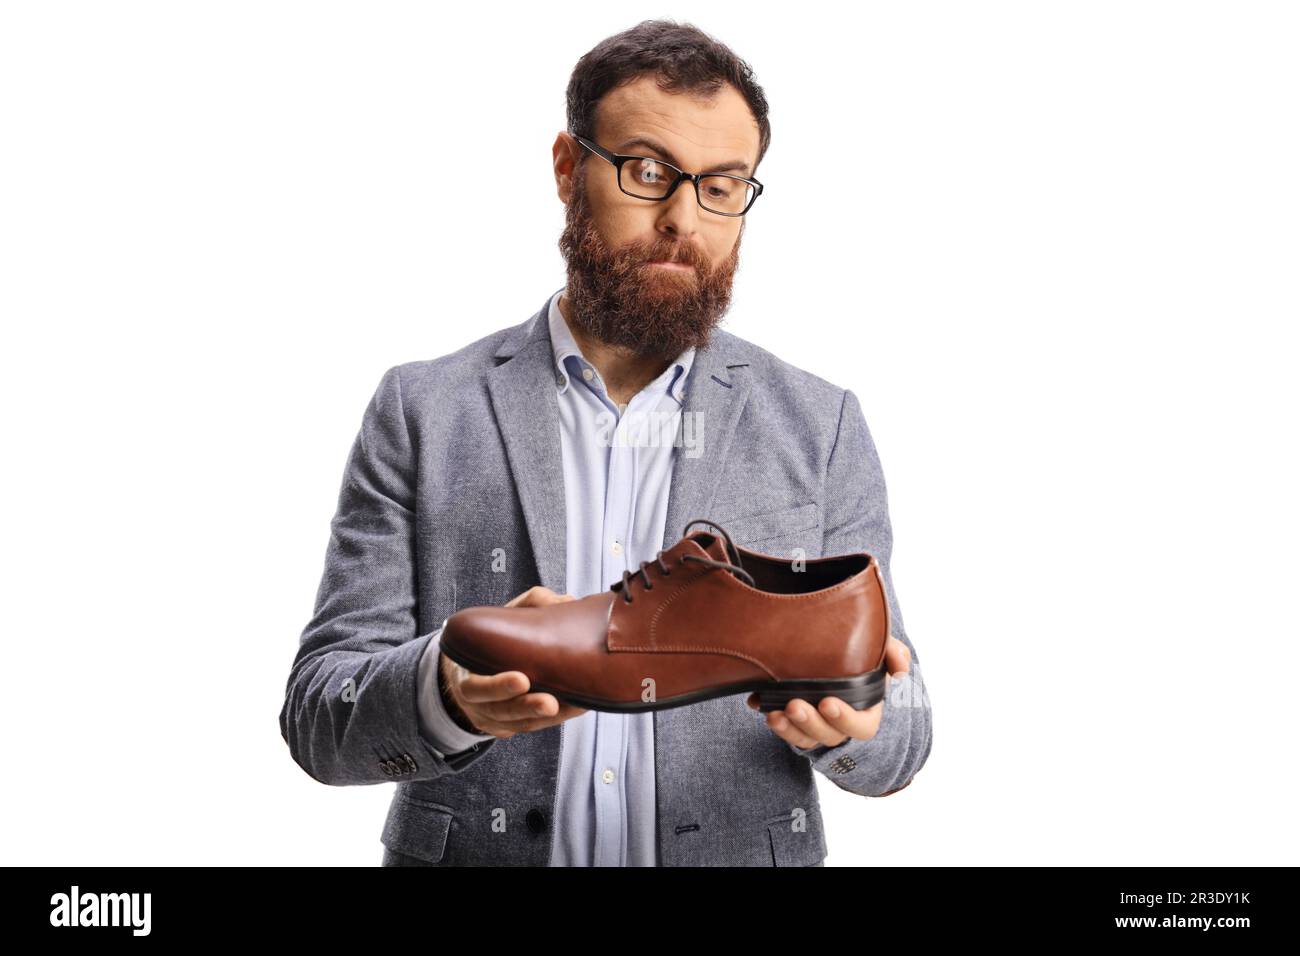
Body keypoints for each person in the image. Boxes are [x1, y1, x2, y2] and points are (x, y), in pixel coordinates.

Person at [279, 18, 932, 867]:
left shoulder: (821, 422)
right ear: (567, 168)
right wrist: (448, 695)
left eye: (723, 185)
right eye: (648, 171)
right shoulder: (424, 409)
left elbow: (905, 734)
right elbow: (318, 715)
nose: (682, 219)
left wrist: (856, 731)